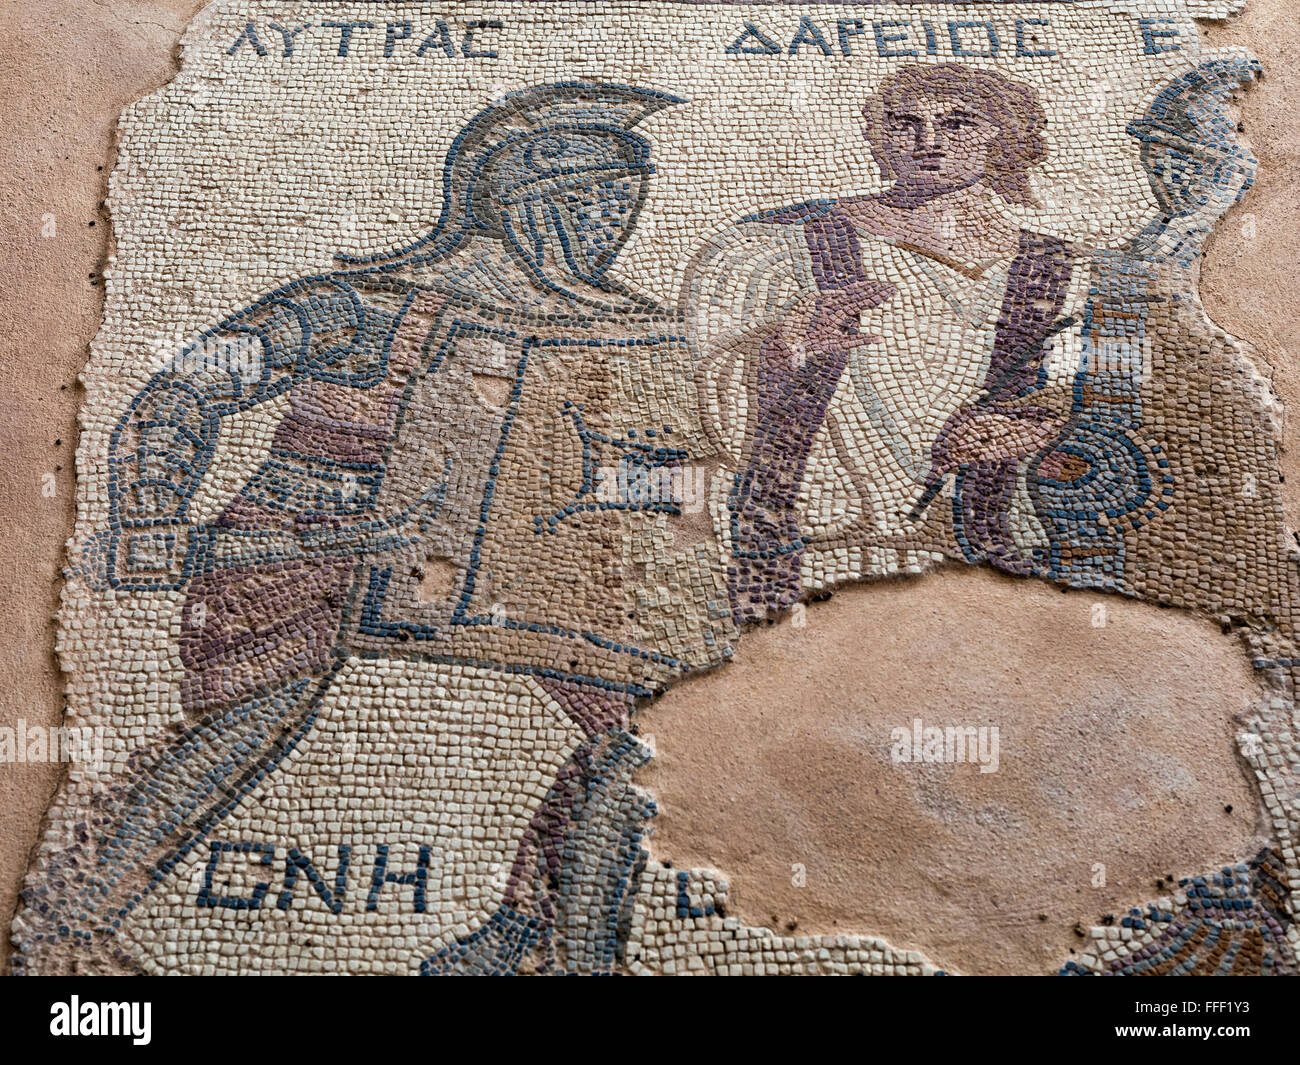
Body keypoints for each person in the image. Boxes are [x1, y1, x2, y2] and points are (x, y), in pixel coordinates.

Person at [24, 82, 732, 975]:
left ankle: (544, 943)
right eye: (583, 199)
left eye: (624, 201)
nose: (607, 224)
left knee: (639, 733)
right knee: (238, 732)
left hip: (520, 575)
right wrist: (151, 517)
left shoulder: (630, 332)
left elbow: (619, 468)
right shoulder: (368, 304)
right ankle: (75, 913)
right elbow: (192, 387)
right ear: (516, 198)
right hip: (306, 549)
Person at [685, 64, 1083, 624]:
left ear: (1005, 137)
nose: (928, 141)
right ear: (879, 135)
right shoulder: (776, 248)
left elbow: (1101, 398)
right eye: (904, 124)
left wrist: (1036, 427)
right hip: (821, 539)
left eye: (958, 122)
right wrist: (780, 349)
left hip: (990, 540)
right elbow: (697, 393)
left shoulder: (1062, 271)